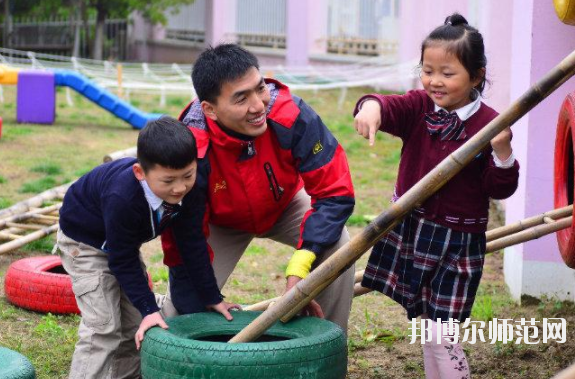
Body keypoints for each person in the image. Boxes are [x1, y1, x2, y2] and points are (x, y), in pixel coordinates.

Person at [353, 14, 519, 378]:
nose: (434, 81)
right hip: (413, 229)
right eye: (428, 71)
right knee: (427, 323)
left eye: (447, 73)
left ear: (476, 75)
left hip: (457, 240)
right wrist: (370, 107)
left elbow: (500, 187)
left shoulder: (490, 123)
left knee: (442, 330)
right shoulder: (418, 106)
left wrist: (503, 152)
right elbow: (387, 105)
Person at [160, 43, 356, 331]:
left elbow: (334, 193)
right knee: (183, 311)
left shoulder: (291, 115)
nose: (258, 105)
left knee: (338, 245)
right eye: (241, 99)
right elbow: (183, 233)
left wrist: (301, 268)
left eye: (260, 88)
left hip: (284, 204)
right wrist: (197, 300)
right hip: (219, 221)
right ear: (210, 110)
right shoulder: (191, 145)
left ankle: (326, 342)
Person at [56, 116, 239, 379]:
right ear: (140, 173)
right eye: (168, 181)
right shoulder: (123, 197)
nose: (179, 188)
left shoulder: (191, 189)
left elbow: (192, 242)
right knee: (104, 328)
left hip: (122, 244)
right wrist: (150, 308)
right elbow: (121, 259)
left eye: (187, 175)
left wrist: (211, 296)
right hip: (84, 242)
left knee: (135, 325)